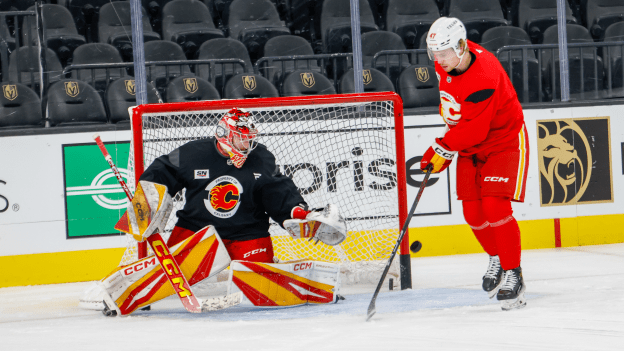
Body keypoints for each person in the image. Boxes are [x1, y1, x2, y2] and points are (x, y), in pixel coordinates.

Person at [421, 17, 530, 310]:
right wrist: (445, 145)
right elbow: (457, 113)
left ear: (460, 45)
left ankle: (513, 272)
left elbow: (476, 129)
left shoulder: (484, 74)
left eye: (443, 52)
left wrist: (442, 148)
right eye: (434, 53)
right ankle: (497, 257)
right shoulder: (448, 62)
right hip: (469, 144)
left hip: (502, 141)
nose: (439, 60)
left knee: (495, 206)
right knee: (472, 212)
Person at [139, 107, 320, 263]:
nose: (246, 144)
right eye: (241, 138)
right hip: (197, 231)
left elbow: (278, 191)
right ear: (224, 134)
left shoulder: (261, 158)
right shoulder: (192, 153)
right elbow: (162, 171)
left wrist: (299, 212)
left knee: (261, 281)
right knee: (167, 277)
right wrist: (145, 200)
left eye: (249, 139)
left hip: (248, 234)